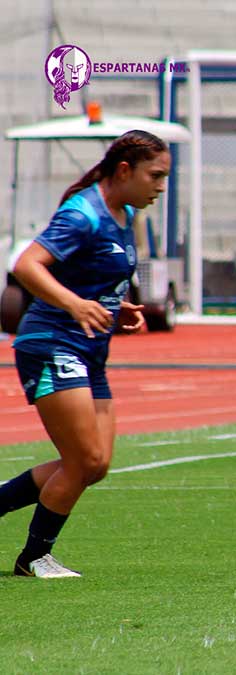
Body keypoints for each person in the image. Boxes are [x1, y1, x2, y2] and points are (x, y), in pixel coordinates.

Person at [0, 130, 168, 578]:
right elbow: (26, 265)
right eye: (155, 175)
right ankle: (33, 558)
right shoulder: (82, 215)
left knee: (95, 465)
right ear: (125, 170)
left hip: (90, 351)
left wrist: (118, 305)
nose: (161, 186)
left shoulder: (126, 212)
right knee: (82, 460)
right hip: (53, 343)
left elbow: (95, 274)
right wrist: (73, 304)